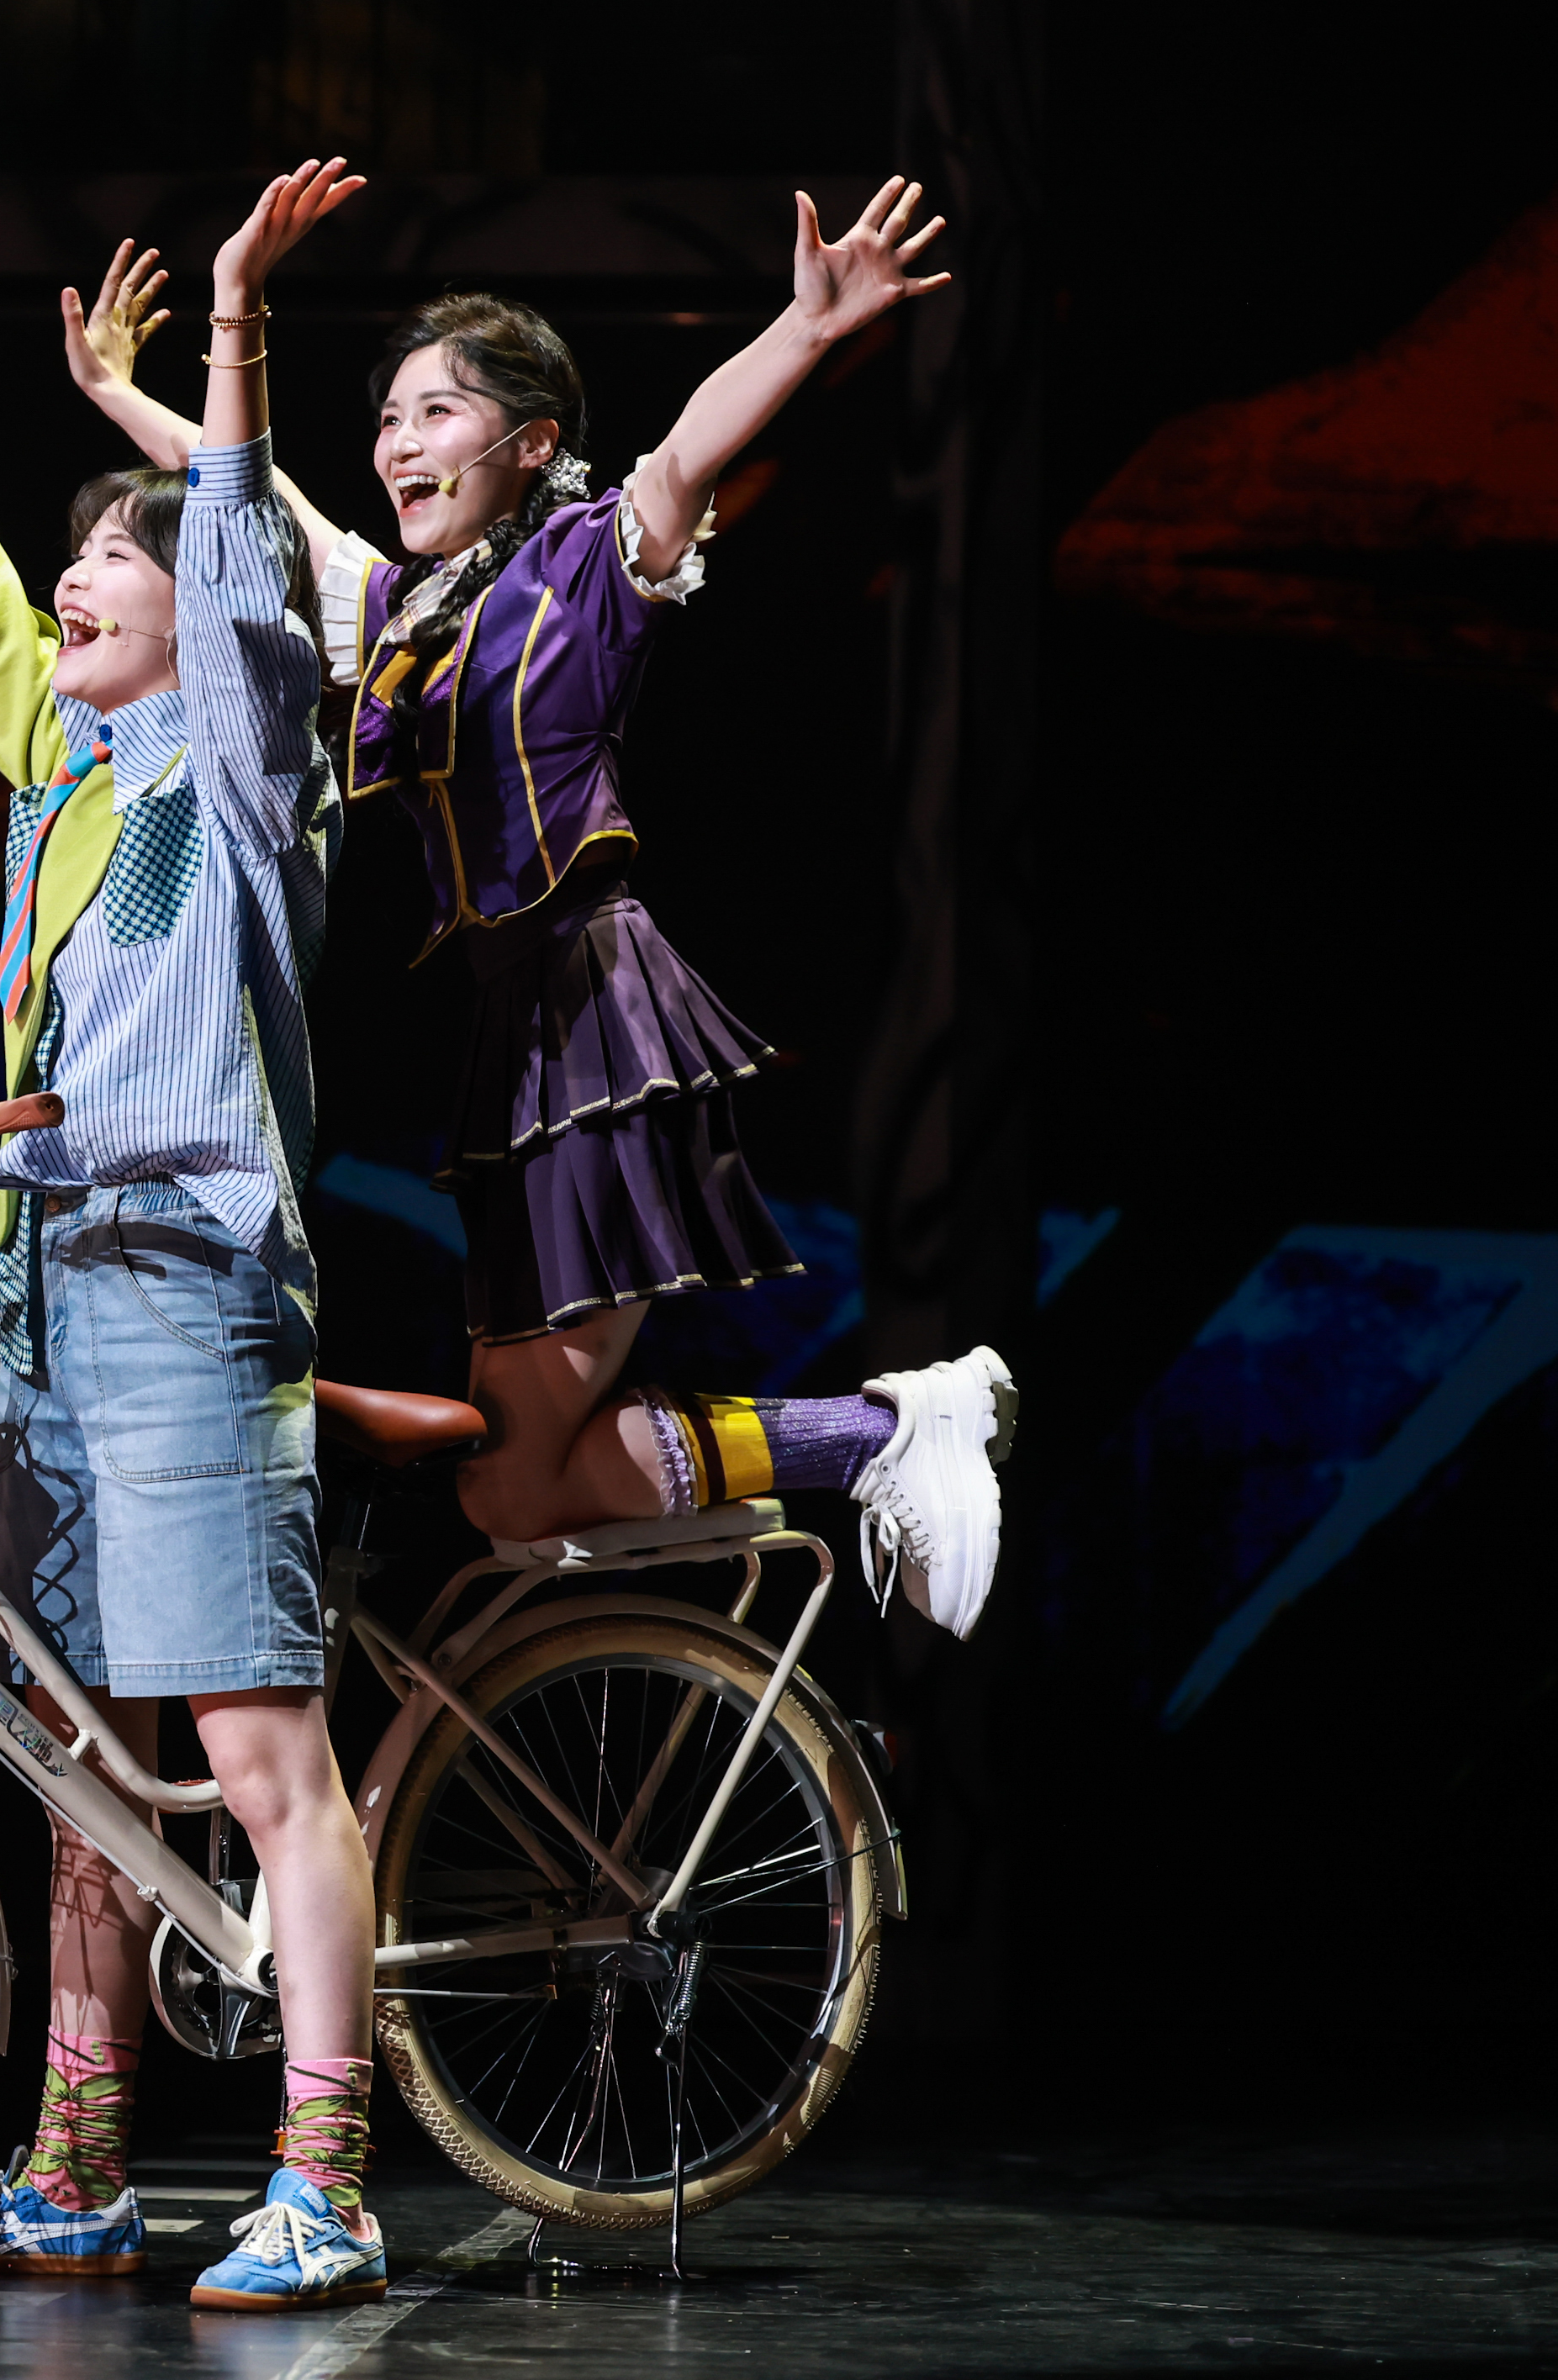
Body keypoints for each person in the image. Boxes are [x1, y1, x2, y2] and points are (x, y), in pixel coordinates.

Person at [66, 178, 1018, 1639]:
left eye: (436, 414)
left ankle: (889, 1433)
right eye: (388, 419)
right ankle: (869, 1435)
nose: (398, 443)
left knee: (515, 1476)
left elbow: (687, 451)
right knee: (511, 1490)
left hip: (596, 1023)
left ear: (530, 442)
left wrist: (809, 325)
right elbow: (252, 498)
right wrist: (127, 391)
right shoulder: (396, 611)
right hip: (511, 1054)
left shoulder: (587, 566)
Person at [0, 167, 393, 2314]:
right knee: (74, 1769)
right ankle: (74, 2170)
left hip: (195, 1290)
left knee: (256, 1762)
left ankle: (327, 2173)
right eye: (78, 561)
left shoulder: (241, 766)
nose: (72, 582)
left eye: (112, 562)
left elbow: (238, 552)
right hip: (51, 1295)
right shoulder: (59, 768)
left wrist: (231, 330)